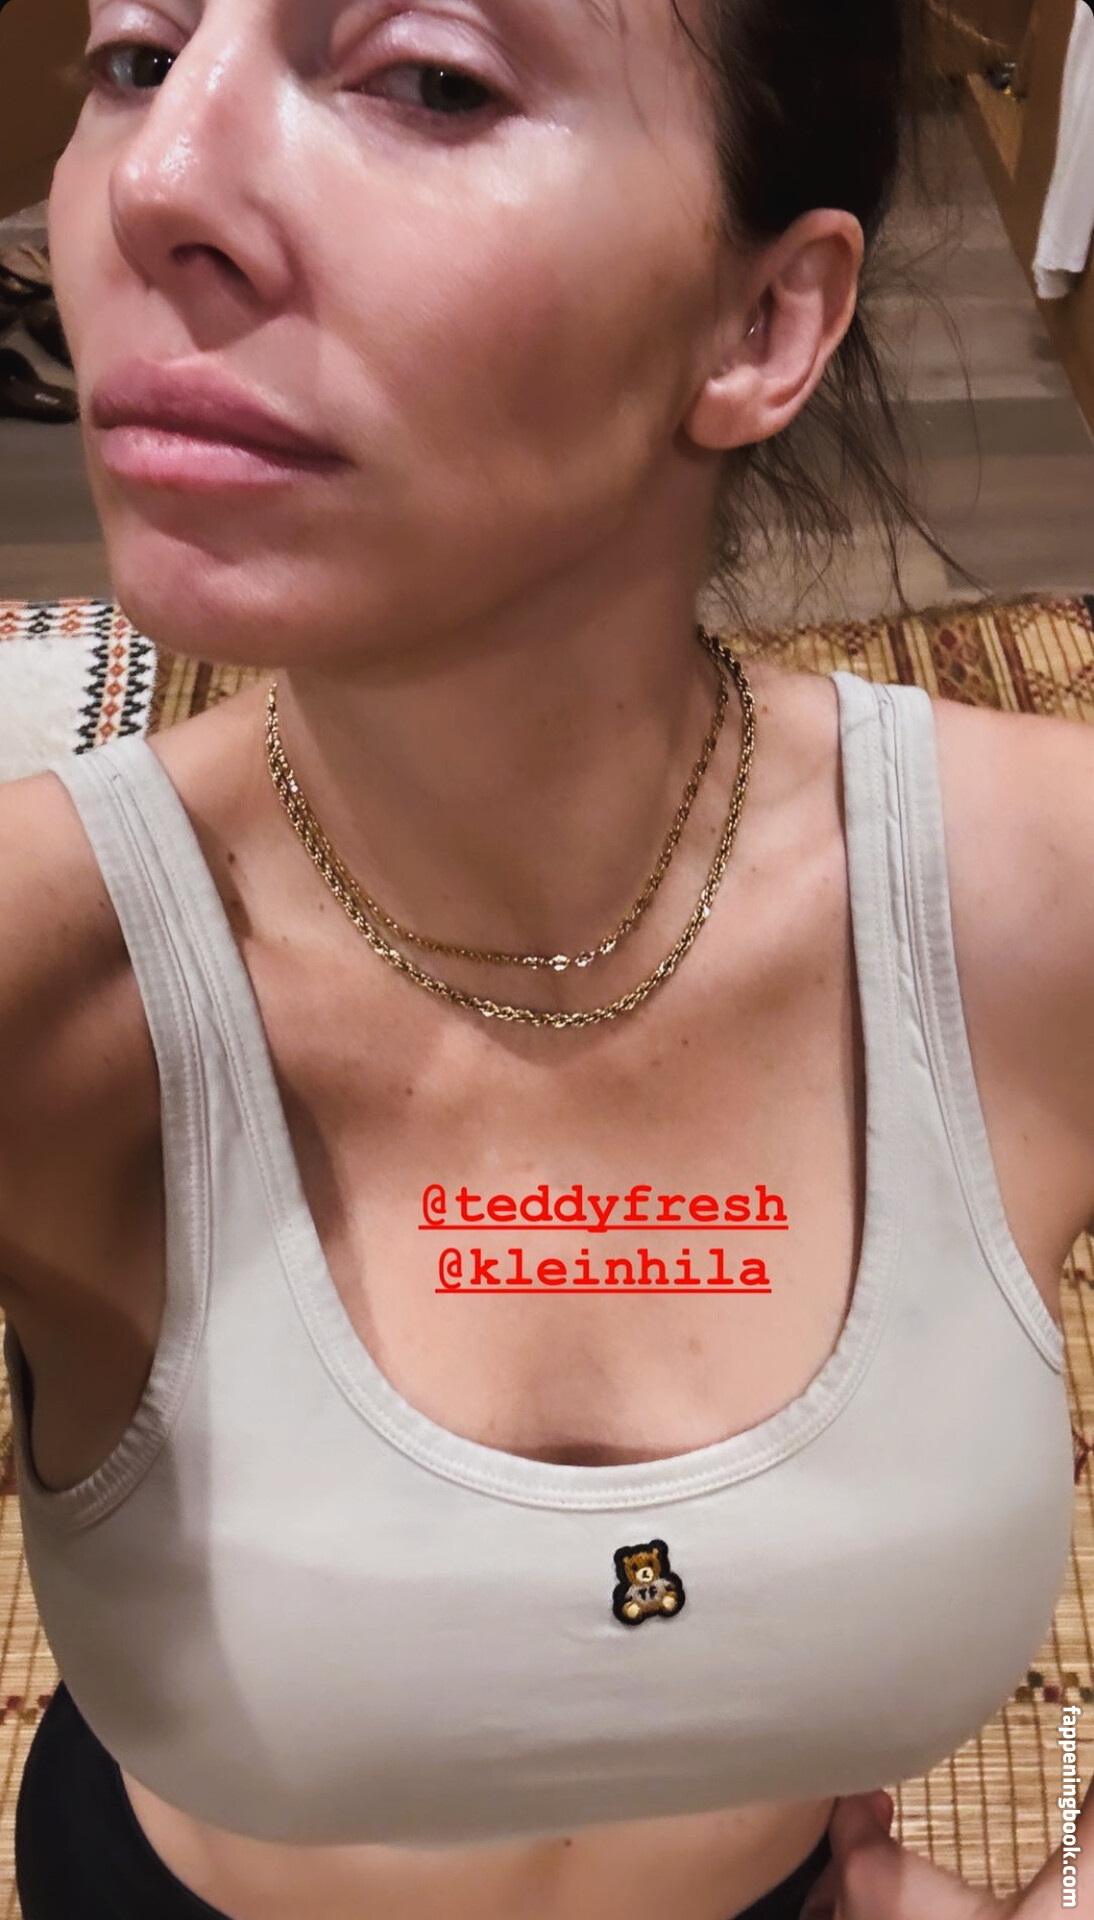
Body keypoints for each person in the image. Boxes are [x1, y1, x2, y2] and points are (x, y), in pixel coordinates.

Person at [2, 0, 1093, 1916]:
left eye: (428, 79)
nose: (154, 183)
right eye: (138, 60)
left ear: (763, 323)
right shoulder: (45, 972)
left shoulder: (1040, 895)